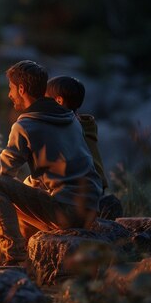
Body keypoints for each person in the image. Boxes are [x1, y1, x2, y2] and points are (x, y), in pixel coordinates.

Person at [0, 60, 102, 265]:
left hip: (67, 212)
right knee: (24, 198)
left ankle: (15, 256)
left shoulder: (26, 125)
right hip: (90, 208)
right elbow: (54, 171)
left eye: (10, 88)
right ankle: (32, 258)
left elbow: (1, 172)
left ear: (21, 89)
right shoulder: (69, 117)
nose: (9, 95)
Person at [45, 76, 123, 220]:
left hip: (80, 193)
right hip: (97, 189)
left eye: (45, 99)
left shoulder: (65, 129)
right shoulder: (86, 124)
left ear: (59, 101)